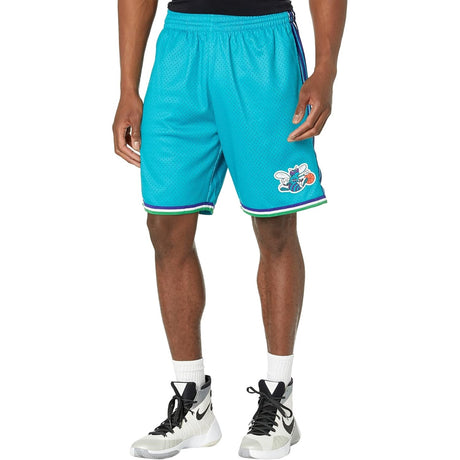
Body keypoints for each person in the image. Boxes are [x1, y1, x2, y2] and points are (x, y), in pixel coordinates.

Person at [112, 0, 346, 458]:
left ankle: (279, 398)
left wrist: (326, 69)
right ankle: (193, 403)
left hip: (262, 45)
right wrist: (126, 87)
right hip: (180, 50)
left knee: (275, 228)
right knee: (164, 225)